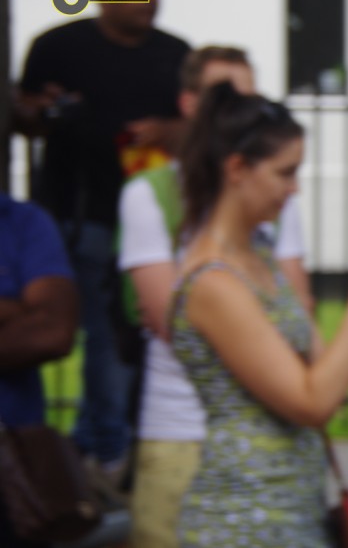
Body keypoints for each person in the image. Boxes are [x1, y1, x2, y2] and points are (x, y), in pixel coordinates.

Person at [170, 83, 348, 547]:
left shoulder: (258, 253)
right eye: (284, 172)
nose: (294, 188)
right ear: (237, 169)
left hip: (291, 509)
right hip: (242, 521)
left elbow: (323, 373)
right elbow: (311, 401)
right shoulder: (212, 282)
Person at [118, 45, 315, 548]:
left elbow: (301, 314)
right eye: (225, 98)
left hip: (276, 440)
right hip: (180, 430)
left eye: (251, 98)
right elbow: (170, 319)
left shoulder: (274, 194)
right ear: (189, 105)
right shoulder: (151, 194)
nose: (244, 112)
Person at [16, 0, 191, 478]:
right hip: (78, 216)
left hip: (155, 224)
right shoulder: (57, 48)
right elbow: (22, 117)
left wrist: (170, 132)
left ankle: (97, 449)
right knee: (100, 336)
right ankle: (107, 453)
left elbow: (202, 127)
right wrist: (41, 110)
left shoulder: (176, 55)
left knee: (127, 338)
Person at [0, 192, 79, 547]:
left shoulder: (23, 222)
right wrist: (13, 309)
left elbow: (53, 331)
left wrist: (34, 317)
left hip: (13, 471)